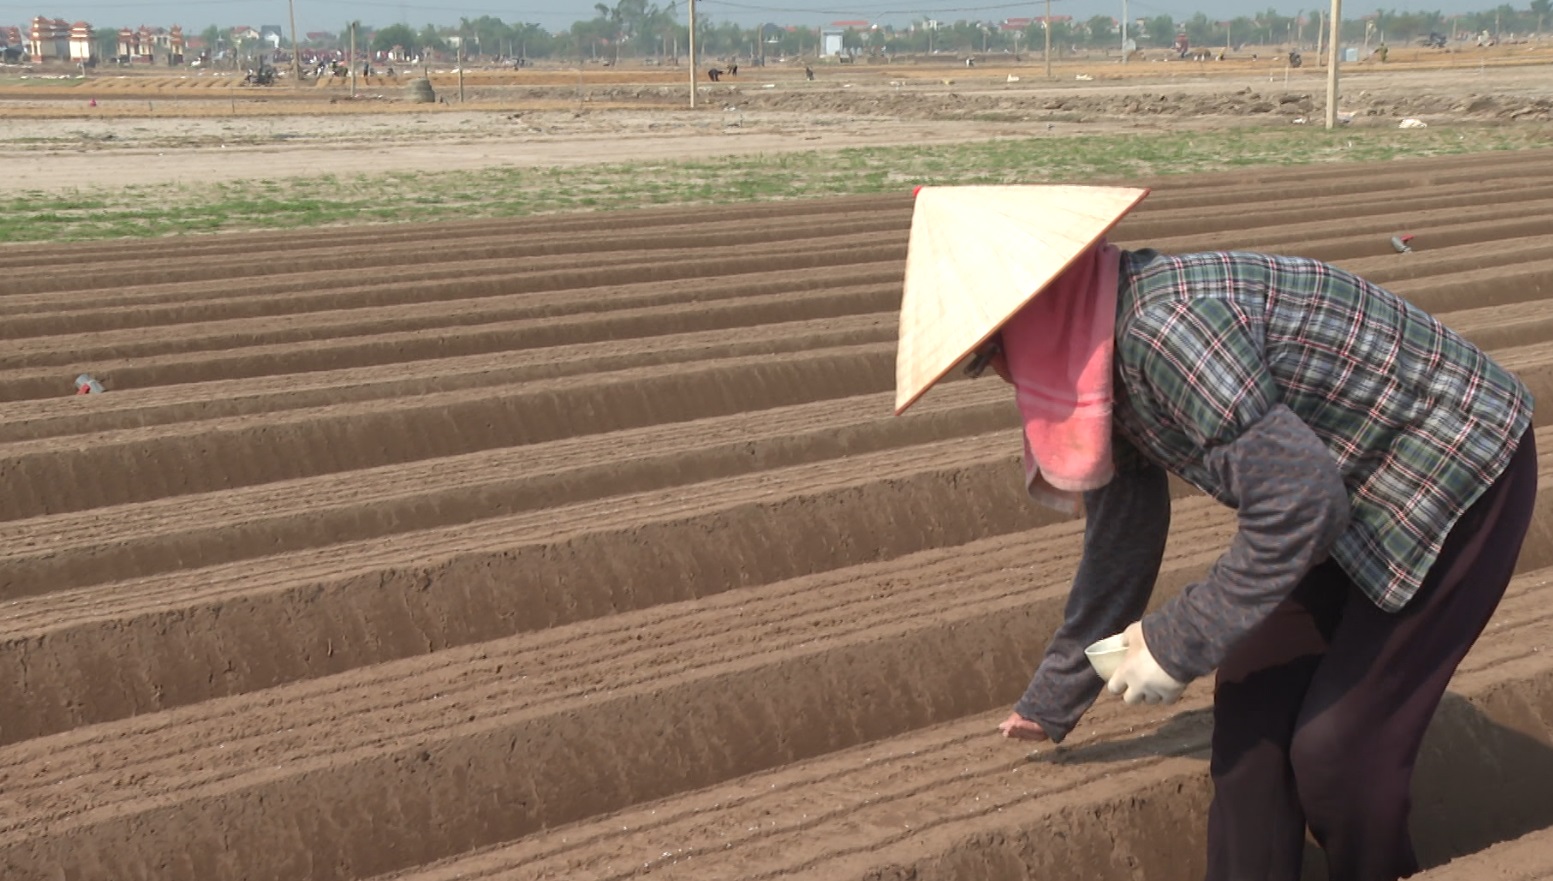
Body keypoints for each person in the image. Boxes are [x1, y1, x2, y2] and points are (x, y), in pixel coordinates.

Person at [894, 185, 1536, 881]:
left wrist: (1174, 641)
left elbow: (1299, 502)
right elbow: (1123, 539)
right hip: (1335, 487)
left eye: (986, 355)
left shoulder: (1163, 332)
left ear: (1029, 320)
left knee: (1339, 755)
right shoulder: (1097, 358)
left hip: (1453, 468)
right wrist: (1057, 694)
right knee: (1248, 730)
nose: (995, 374)